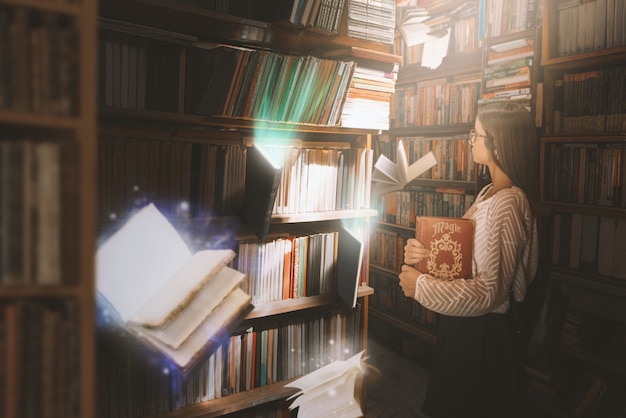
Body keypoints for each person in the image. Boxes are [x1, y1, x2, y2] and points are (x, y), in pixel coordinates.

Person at [399, 102, 541, 418]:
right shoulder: (488, 193)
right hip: (469, 330)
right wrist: (423, 255)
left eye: (476, 135)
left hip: (484, 339)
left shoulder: (505, 204)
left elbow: (491, 293)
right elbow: (466, 260)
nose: (471, 141)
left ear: (499, 146)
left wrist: (421, 286)